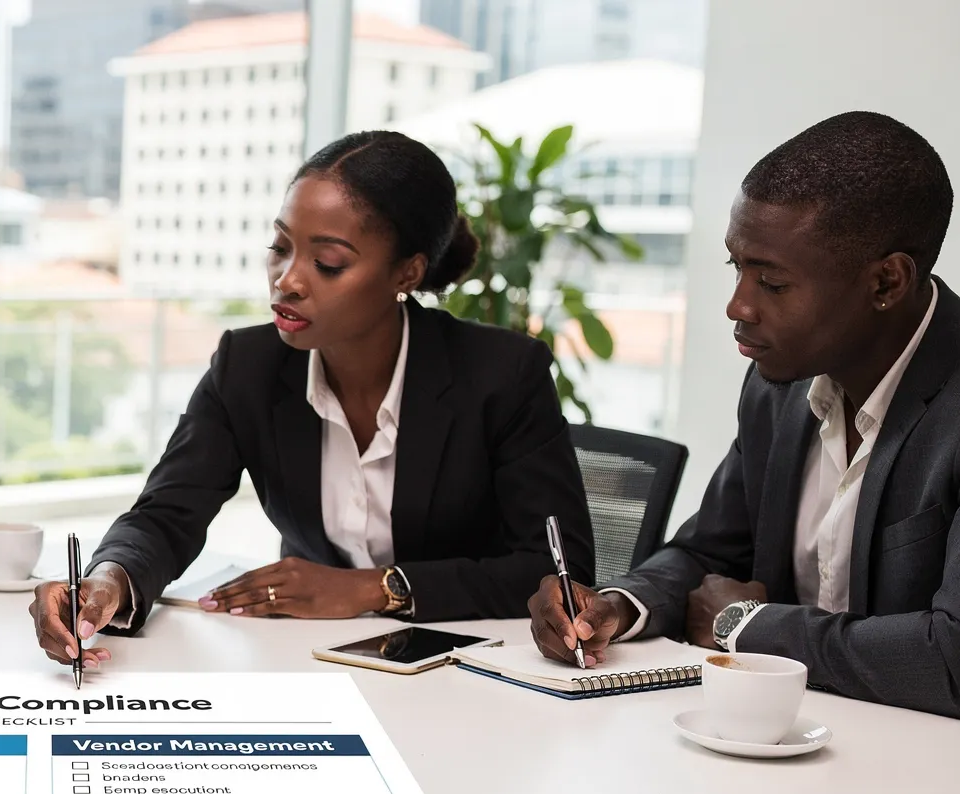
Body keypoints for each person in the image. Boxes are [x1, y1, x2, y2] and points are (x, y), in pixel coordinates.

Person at [529, 112, 960, 728]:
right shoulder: (780, 385)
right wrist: (615, 605)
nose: (738, 305)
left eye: (772, 282)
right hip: (807, 740)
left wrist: (742, 625)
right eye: (735, 267)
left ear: (886, 280)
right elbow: (710, 549)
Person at [30, 130, 593, 667]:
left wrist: (376, 589)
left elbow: (555, 570)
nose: (287, 280)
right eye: (280, 248)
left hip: (471, 671)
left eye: (328, 263)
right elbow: (167, 514)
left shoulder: (501, 374)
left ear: (408, 271)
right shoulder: (247, 367)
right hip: (309, 664)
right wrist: (105, 583)